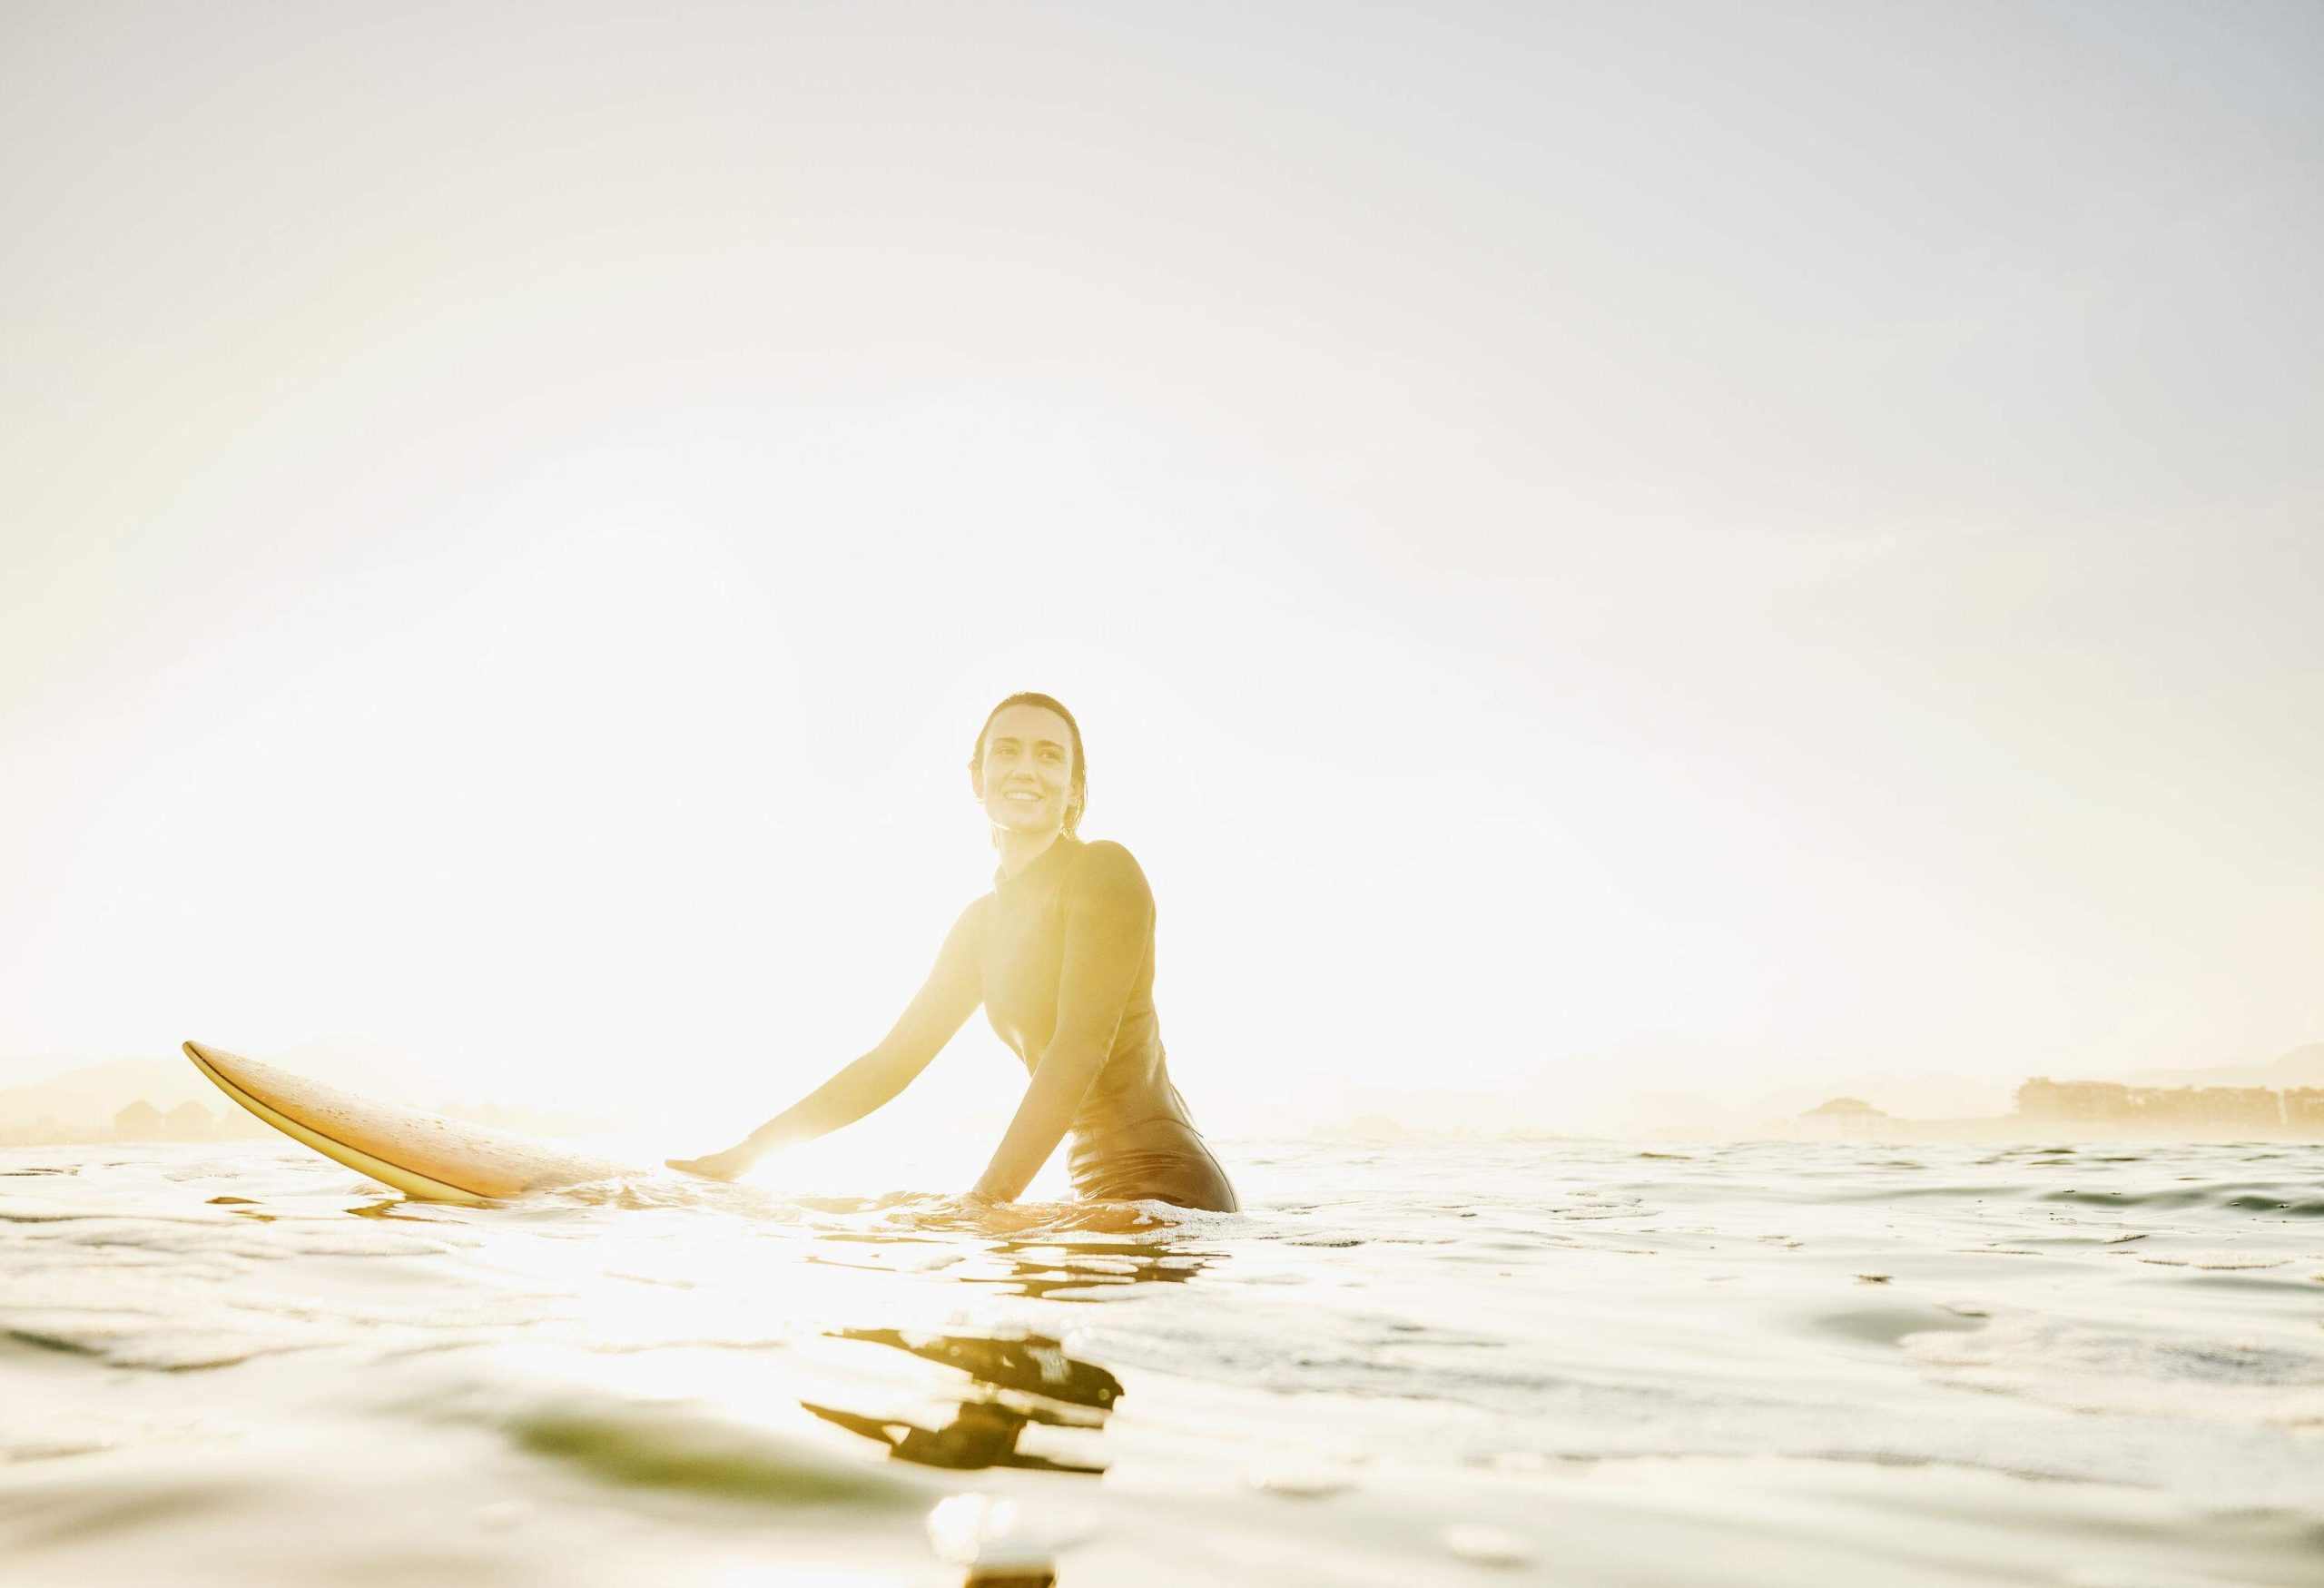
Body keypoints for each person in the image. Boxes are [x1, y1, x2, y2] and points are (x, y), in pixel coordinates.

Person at [666, 692, 1238, 1213]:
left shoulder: (1104, 871)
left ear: (1075, 787)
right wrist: (751, 1151)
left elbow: (1080, 1047)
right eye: (1006, 751)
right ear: (977, 777)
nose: (1025, 769)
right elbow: (889, 1065)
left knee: (935, 1263)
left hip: (1165, 1187)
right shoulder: (980, 926)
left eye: (1049, 756)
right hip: (1095, 1194)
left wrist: (986, 1200)